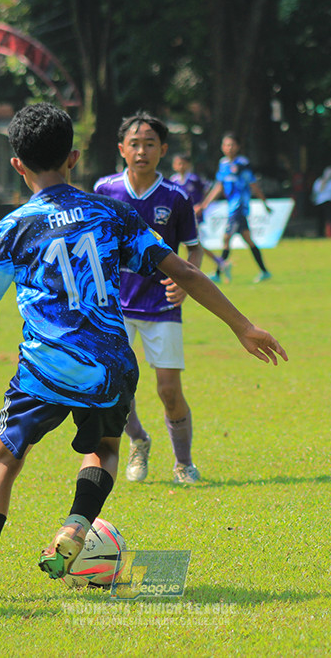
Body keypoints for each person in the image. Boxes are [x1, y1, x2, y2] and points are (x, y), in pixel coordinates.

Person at [0, 103, 287, 603]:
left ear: (16, 164)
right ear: (74, 157)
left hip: (44, 366)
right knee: (105, 448)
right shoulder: (110, 213)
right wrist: (243, 325)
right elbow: (186, 272)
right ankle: (76, 523)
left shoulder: (11, 230)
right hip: (110, 363)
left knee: (5, 458)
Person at [94, 113, 204, 484]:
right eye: (135, 144)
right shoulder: (105, 190)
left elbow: (194, 249)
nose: (142, 151)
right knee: (117, 387)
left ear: (163, 150)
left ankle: (183, 463)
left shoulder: (176, 197)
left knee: (169, 390)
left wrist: (185, 285)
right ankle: (138, 441)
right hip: (116, 307)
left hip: (161, 304)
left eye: (150, 144)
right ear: (122, 149)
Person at [196, 132, 273, 283]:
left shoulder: (242, 164)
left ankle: (219, 271)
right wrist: (205, 204)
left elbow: (253, 184)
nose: (229, 148)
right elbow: (219, 186)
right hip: (232, 207)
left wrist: (264, 202)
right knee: (247, 239)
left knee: (226, 238)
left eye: (232, 145)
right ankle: (264, 272)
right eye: (226, 145)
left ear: (237, 147)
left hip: (239, 207)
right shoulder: (223, 164)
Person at [171, 153, 225, 276]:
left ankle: (196, 268)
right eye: (178, 163)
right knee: (189, 243)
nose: (181, 166)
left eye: (183, 163)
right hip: (180, 216)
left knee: (191, 242)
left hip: (194, 216)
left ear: (188, 165)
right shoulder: (173, 180)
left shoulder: (194, 179)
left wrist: (201, 204)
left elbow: (207, 188)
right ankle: (217, 262)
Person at [311, 166, 331, 237]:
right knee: (321, 220)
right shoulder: (319, 182)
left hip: (329, 202)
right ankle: (321, 234)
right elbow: (316, 191)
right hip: (322, 203)